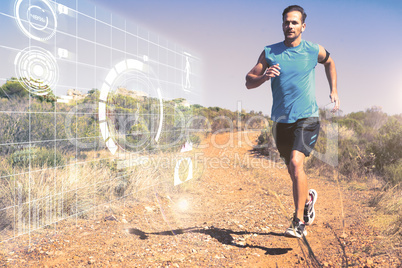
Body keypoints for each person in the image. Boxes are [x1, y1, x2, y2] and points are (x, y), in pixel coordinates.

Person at [245, 5, 339, 238]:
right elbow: (248, 80)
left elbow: (329, 62)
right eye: (287, 22)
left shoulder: (312, 50)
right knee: (292, 170)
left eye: (294, 22)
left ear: (303, 26)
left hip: (307, 117)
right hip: (280, 121)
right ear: (282, 25)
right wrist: (264, 76)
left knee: (297, 164)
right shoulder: (270, 52)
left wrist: (334, 89)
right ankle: (307, 200)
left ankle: (298, 222)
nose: (290, 26)